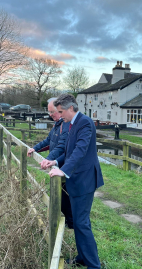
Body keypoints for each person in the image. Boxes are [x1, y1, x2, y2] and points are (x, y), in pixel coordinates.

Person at [47, 94, 104, 269]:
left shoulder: (85, 123)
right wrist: (55, 162)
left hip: (84, 180)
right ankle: (82, 258)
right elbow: (69, 151)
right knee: (79, 222)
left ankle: (94, 265)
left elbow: (80, 150)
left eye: (61, 111)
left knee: (82, 223)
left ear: (71, 108)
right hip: (76, 180)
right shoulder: (71, 123)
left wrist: (62, 170)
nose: (60, 115)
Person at [27, 98, 73, 229]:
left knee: (65, 198)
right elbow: (49, 141)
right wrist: (35, 148)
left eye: (53, 111)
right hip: (56, 165)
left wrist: (48, 159)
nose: (51, 115)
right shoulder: (56, 125)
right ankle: (61, 223)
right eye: (49, 112)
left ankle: (70, 226)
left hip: (63, 166)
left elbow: (62, 147)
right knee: (58, 196)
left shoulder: (65, 126)